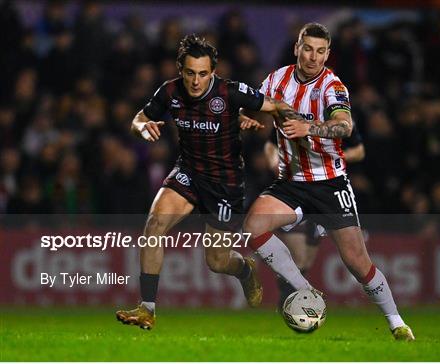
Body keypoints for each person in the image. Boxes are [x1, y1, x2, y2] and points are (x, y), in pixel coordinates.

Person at [115, 34, 307, 330]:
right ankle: (147, 308)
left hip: (225, 183)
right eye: (190, 73)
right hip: (188, 172)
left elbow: (277, 107)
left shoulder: (230, 92)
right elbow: (139, 118)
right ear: (181, 71)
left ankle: (244, 269)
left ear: (213, 72)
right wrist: (143, 128)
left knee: (216, 261)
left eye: (203, 74)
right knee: (154, 224)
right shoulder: (169, 91)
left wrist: (288, 129)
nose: (195, 81)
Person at [241, 23, 415, 340]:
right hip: (291, 182)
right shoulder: (276, 79)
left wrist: (310, 128)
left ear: (327, 54)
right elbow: (260, 110)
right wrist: (249, 118)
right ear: (297, 48)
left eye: (320, 51)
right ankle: (304, 289)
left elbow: (344, 126)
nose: (313, 57)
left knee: (357, 262)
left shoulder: (332, 86)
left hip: (330, 184)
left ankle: (396, 322)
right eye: (308, 49)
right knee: (253, 226)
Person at [264, 126, 366, 307]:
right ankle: (289, 305)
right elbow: (271, 145)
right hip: (293, 192)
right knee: (300, 256)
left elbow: (359, 152)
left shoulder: (340, 122)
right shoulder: (293, 116)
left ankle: (289, 290)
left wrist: (330, 158)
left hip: (324, 195)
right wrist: (274, 163)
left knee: (306, 263)